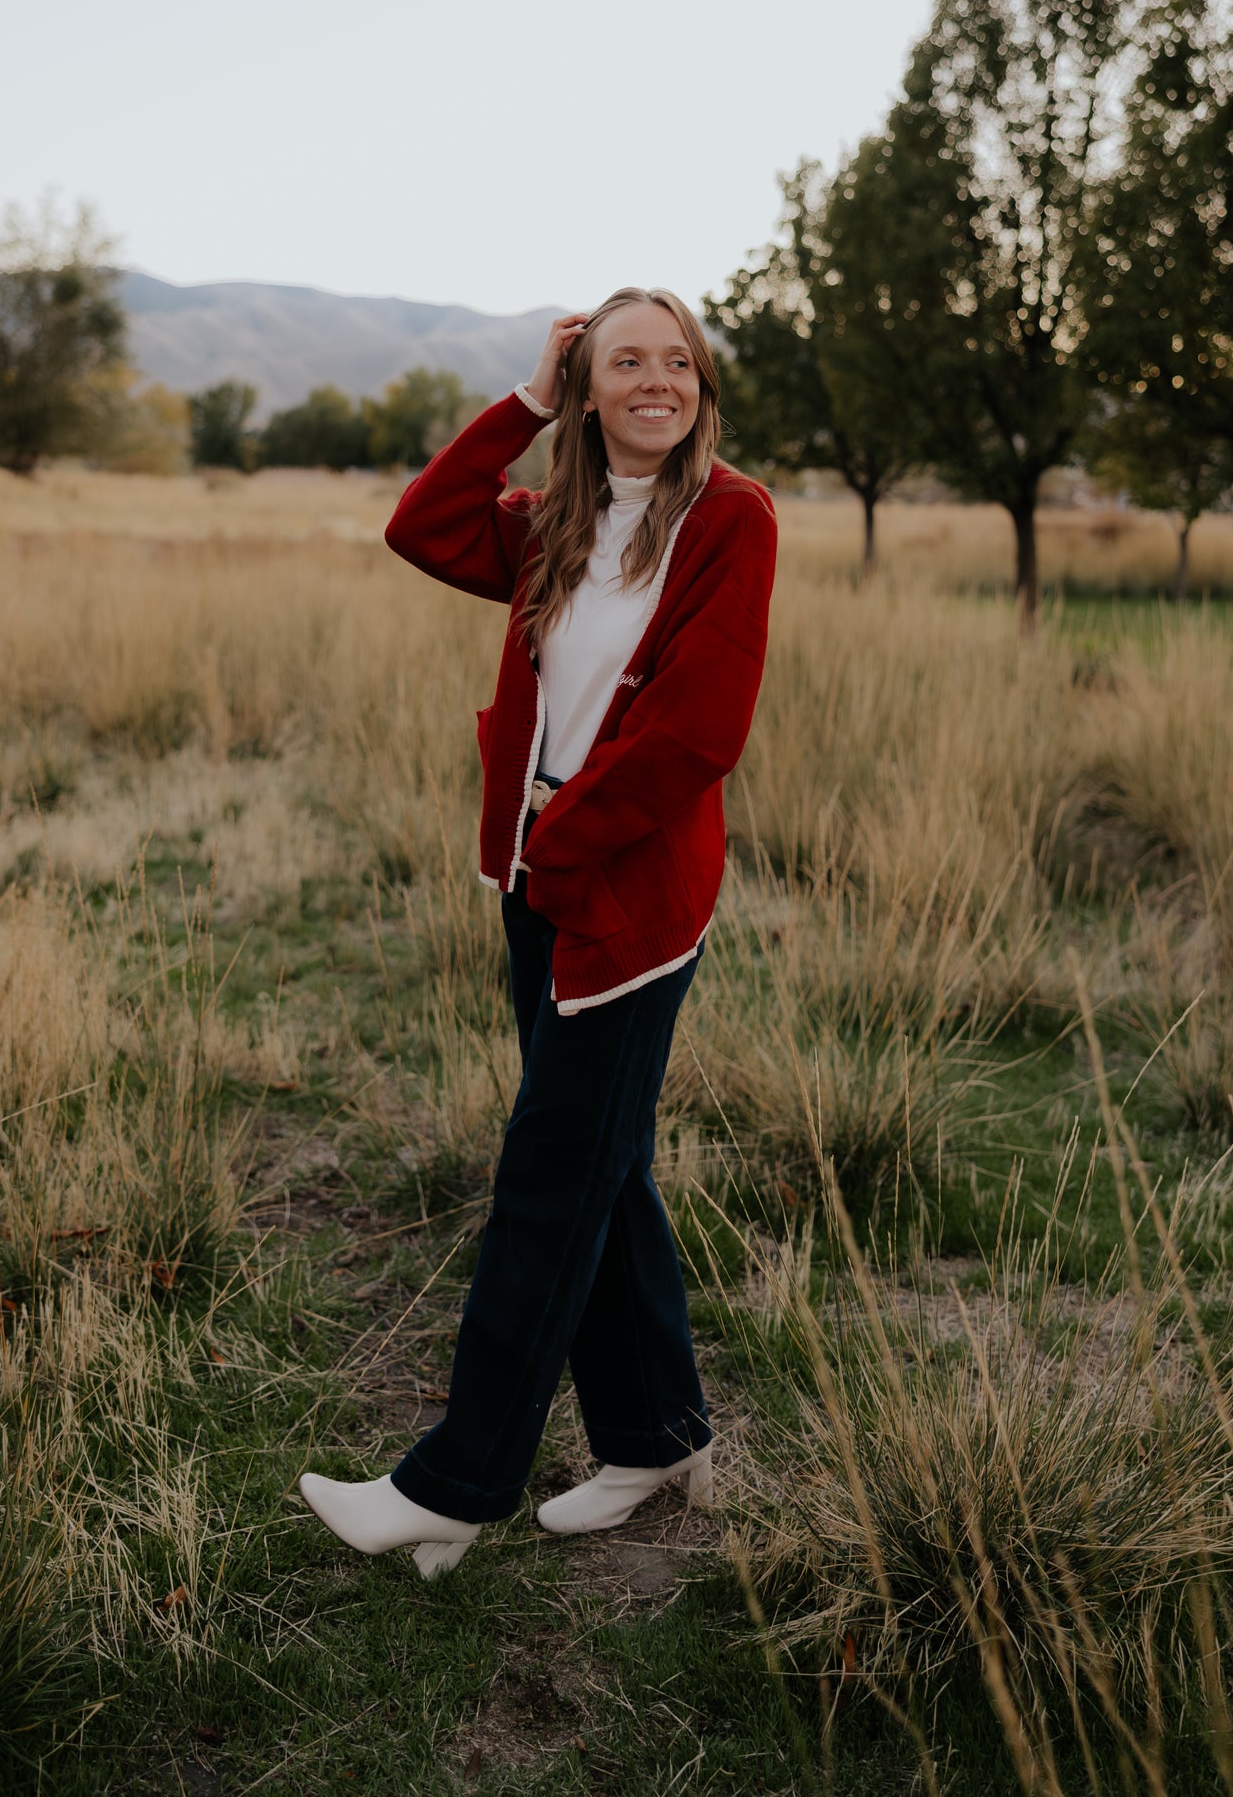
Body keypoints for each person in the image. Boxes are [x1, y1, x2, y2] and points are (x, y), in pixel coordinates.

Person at [299, 286, 778, 1577]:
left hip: (624, 904)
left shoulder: (729, 519)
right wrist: (521, 399)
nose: (655, 382)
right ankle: (657, 1435)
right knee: (603, 1169)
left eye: (675, 361)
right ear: (586, 384)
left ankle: (454, 1486)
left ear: (699, 385)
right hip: (536, 885)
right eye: (624, 361)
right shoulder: (554, 521)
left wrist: (560, 848)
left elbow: (695, 733)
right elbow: (421, 523)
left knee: (548, 1180)